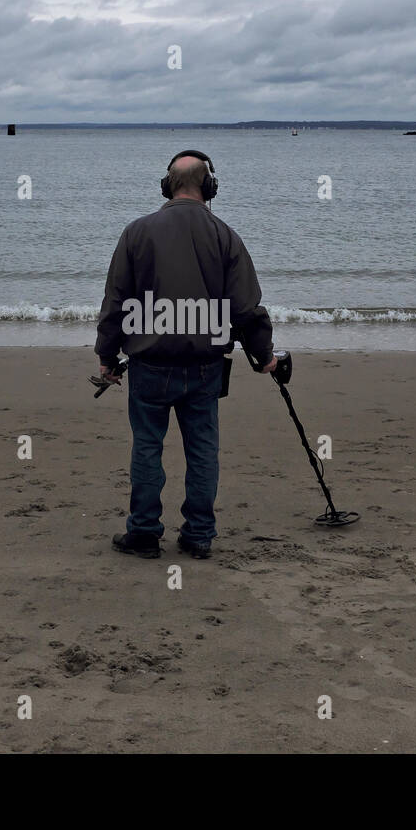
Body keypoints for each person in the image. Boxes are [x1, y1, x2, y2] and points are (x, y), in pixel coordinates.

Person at [95, 150, 276, 560]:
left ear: (167, 186)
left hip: (149, 366)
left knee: (146, 446)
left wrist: (106, 356)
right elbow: (246, 308)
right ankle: (198, 536)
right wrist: (264, 354)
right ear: (208, 187)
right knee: (202, 451)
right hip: (204, 368)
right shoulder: (224, 235)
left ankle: (142, 533)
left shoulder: (136, 233)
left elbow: (115, 303)